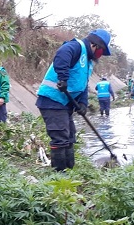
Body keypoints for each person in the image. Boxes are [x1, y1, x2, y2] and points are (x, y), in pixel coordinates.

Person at [35, 28, 112, 171]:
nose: (100, 56)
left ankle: (70, 170)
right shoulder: (76, 47)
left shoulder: (88, 63)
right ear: (96, 45)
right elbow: (62, 55)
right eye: (101, 51)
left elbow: (82, 85)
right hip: (52, 100)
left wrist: (83, 103)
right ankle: (59, 174)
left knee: (70, 136)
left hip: (65, 103)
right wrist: (62, 78)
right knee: (60, 137)